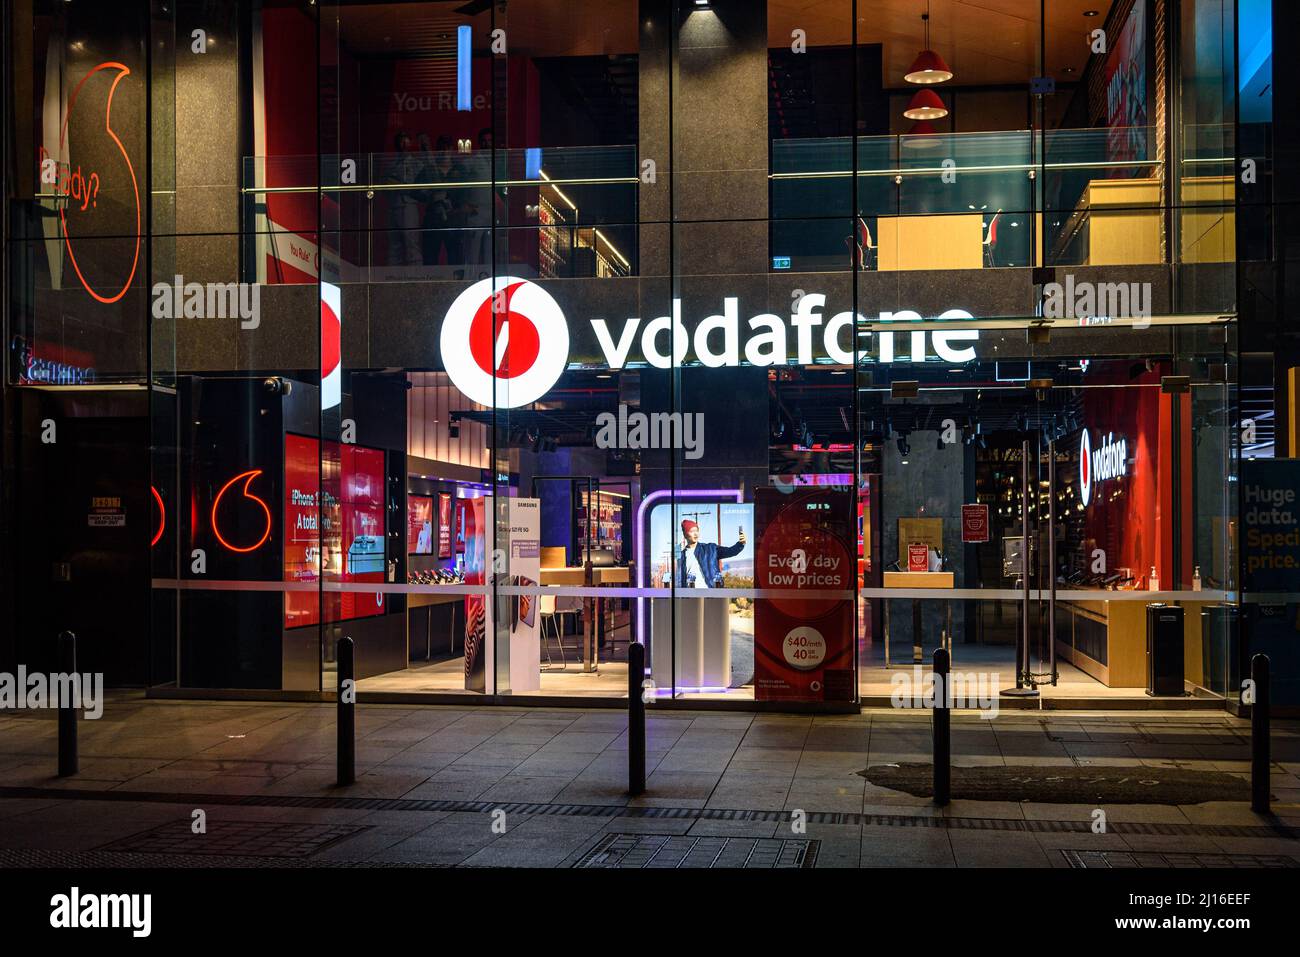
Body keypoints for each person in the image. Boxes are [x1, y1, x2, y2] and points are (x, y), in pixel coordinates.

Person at [384, 130, 422, 270]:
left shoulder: (416, 163)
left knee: (411, 242)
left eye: (405, 141)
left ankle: (416, 275)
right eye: (400, 141)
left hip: (408, 203)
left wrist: (399, 183)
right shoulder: (391, 163)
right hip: (394, 203)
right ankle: (392, 276)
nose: (403, 144)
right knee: (394, 244)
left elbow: (416, 185)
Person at [675, 519, 745, 589]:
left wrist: (740, 544)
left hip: (711, 593)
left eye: (696, 530)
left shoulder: (711, 549)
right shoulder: (681, 556)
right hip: (691, 596)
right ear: (685, 535)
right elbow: (680, 580)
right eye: (692, 531)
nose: (695, 534)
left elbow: (731, 551)